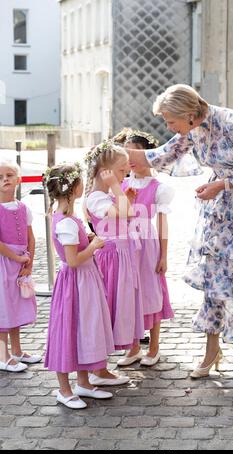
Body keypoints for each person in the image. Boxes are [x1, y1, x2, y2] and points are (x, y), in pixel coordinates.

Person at [126, 84, 233, 380]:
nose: (169, 127)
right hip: (222, 214)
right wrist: (112, 154)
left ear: (190, 114)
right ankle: (211, 350)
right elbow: (163, 155)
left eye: (170, 121)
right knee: (215, 279)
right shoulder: (191, 130)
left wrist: (222, 184)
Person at [44, 163, 115, 409]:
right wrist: (93, 247)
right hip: (75, 283)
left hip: (84, 281)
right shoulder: (65, 222)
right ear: (74, 188)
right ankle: (64, 390)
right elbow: (72, 260)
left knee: (84, 329)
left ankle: (83, 383)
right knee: (69, 330)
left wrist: (89, 240)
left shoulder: (69, 218)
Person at [85, 142, 144, 380]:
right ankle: (98, 369)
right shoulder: (97, 198)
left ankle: (101, 366)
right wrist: (118, 191)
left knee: (119, 307)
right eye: (121, 171)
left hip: (121, 258)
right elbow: (127, 214)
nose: (125, 175)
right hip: (111, 260)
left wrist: (120, 193)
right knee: (108, 309)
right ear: (105, 173)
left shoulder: (107, 195)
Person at [120, 130, 174, 366]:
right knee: (129, 292)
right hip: (124, 244)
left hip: (147, 245)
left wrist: (164, 255)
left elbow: (162, 222)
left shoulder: (158, 187)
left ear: (148, 155)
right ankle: (133, 348)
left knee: (151, 292)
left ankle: (153, 347)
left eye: (135, 152)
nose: (130, 158)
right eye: (127, 152)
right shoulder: (120, 183)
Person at [0, 160, 40, 373]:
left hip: (21, 263)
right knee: (3, 310)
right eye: (0, 177)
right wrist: (17, 259)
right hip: (4, 264)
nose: (5, 179)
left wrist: (29, 262)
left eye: (9, 175)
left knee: (15, 308)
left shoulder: (24, 208)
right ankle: (2, 355)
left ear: (18, 179)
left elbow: (31, 238)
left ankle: (17, 350)